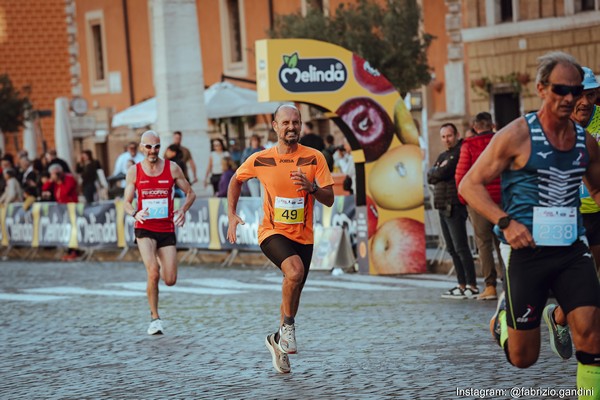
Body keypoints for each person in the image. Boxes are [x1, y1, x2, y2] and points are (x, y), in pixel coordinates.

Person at [458, 52, 600, 395]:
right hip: (526, 251)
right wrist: (505, 222)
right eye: (561, 89)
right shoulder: (516, 134)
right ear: (541, 88)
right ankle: (503, 323)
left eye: (576, 90)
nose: (570, 98)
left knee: (592, 333)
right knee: (524, 357)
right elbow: (469, 185)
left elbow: (597, 186)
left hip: (571, 248)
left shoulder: (585, 141)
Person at [227, 104, 334, 374]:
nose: (291, 127)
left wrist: (312, 188)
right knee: (294, 271)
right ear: (275, 126)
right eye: (285, 122)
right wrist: (231, 214)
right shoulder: (261, 159)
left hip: (304, 236)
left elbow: (330, 199)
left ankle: (277, 340)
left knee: (294, 285)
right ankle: (287, 329)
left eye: (295, 122)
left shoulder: (314, 158)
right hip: (272, 232)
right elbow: (236, 180)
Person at [123, 130, 196, 335]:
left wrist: (182, 210)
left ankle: (160, 258)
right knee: (153, 271)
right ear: (141, 148)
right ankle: (155, 318)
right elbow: (126, 203)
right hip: (144, 227)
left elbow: (191, 193)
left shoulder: (172, 168)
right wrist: (135, 213)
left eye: (156, 146)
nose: (152, 150)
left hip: (166, 228)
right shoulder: (134, 171)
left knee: (170, 279)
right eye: (148, 146)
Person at [455, 112, 503, 301]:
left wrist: (464, 198)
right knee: (504, 241)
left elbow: (461, 174)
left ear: (475, 127)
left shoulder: (469, 145)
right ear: (492, 125)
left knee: (484, 243)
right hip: (501, 199)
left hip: (478, 200)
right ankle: (509, 283)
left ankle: (490, 287)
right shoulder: (501, 140)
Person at [427, 123, 479, 299]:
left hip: (454, 205)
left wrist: (438, 171)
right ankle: (461, 283)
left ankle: (472, 285)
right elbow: (432, 175)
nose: (446, 140)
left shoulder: (459, 152)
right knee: (451, 248)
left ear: (456, 135)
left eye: (449, 136)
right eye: (443, 137)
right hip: (442, 205)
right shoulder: (443, 155)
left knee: (461, 247)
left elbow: (443, 172)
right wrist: (438, 171)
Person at [575, 67, 600, 275]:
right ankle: (555, 310)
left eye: (590, 94)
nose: (585, 102)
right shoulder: (556, 123)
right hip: (568, 213)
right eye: (579, 94)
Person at [49, 163, 80, 260]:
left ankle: (74, 251)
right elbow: (45, 187)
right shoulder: (55, 182)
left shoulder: (68, 178)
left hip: (71, 207)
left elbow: (67, 191)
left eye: (54, 174)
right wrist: (51, 180)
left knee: (73, 229)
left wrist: (60, 182)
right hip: (61, 209)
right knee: (65, 230)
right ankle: (68, 250)